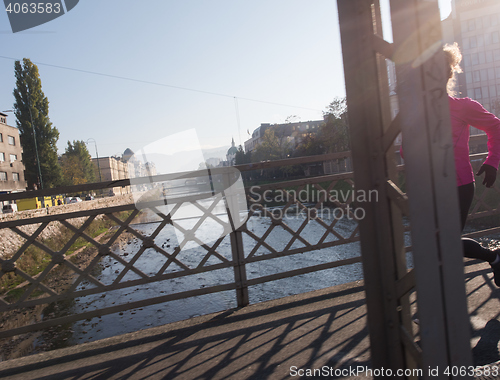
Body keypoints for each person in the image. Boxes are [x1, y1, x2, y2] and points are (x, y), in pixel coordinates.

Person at [443, 42, 500, 285]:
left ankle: (493, 258)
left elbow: (496, 127)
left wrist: (493, 161)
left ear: (447, 74)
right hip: (428, 188)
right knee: (436, 243)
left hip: (459, 185)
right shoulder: (417, 114)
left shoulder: (462, 106)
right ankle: (494, 258)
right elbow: (405, 149)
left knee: (445, 244)